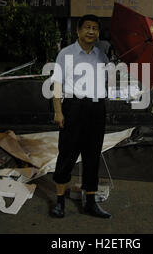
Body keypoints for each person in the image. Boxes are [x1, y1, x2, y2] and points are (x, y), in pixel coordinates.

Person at [50, 14, 111, 219]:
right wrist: (58, 111)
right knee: (67, 154)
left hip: (96, 109)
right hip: (73, 107)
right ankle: (59, 202)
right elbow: (57, 85)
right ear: (78, 30)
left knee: (92, 156)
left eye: (95, 28)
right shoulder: (65, 54)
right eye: (87, 27)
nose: (91, 31)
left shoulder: (102, 55)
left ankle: (91, 202)